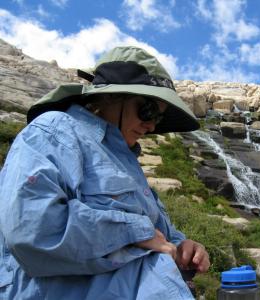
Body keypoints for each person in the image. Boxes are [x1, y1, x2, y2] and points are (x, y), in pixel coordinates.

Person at [0, 46, 209, 299]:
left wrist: (183, 246)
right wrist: (135, 232)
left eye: (159, 118)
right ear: (111, 97)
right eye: (148, 110)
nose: (152, 124)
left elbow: (160, 238)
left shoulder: (129, 166)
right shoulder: (54, 131)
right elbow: (33, 229)